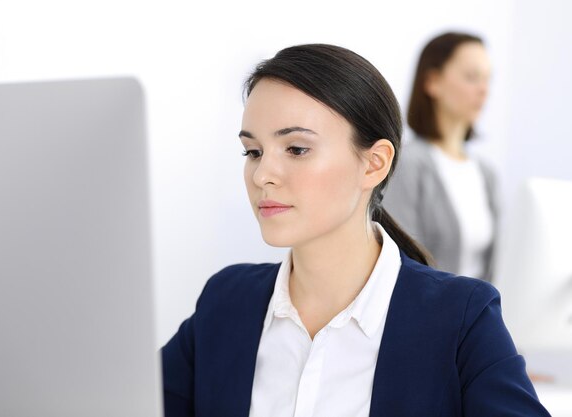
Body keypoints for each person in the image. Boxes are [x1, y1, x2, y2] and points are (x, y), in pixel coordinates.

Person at [161, 44, 549, 416]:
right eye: (253, 152)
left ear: (374, 164)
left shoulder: (463, 317)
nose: (262, 175)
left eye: (296, 149)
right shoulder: (226, 301)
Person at [384, 32, 497, 281]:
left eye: (488, 79)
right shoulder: (407, 164)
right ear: (432, 82)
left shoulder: (486, 173)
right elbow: (402, 262)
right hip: (431, 313)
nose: (484, 90)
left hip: (476, 314)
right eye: (472, 77)